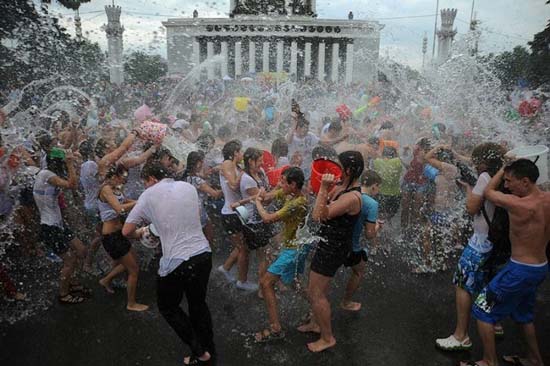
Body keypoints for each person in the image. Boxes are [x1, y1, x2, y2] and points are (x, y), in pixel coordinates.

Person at [122, 162, 214, 366]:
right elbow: (197, 217)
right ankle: (208, 350)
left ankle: (199, 351)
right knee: (198, 304)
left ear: (152, 179)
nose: (145, 187)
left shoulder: (149, 194)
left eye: (145, 182)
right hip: (202, 254)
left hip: (176, 262)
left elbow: (127, 231)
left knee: (168, 306)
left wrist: (143, 232)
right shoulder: (188, 187)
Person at [462, 159, 549, 366]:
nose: (507, 185)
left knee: (483, 309)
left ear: (526, 181)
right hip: (539, 267)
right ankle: (535, 359)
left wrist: (502, 169)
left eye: (510, 181)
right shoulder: (546, 199)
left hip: (520, 270)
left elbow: (488, 192)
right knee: (523, 315)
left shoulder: (518, 204)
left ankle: (489, 361)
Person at [436, 143, 505, 351]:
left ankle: (461, 336)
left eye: (475, 161)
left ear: (483, 162)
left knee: (462, 284)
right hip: (497, 241)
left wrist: (468, 190)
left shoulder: (485, 178)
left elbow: (472, 207)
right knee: (488, 282)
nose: (473, 165)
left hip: (480, 242)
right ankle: (495, 323)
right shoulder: (503, 178)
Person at [298, 151, 364, 352]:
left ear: (349, 170)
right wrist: (318, 189)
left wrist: (325, 188)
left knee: (315, 292)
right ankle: (316, 323)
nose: (335, 170)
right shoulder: (342, 186)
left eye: (339, 167)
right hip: (328, 244)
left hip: (333, 249)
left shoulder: (352, 197)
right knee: (318, 288)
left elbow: (319, 215)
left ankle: (327, 338)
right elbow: (321, 202)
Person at [253, 167, 308, 342]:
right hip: (294, 246)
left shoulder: (297, 203)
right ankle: (318, 306)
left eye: (284, 182)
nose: (280, 184)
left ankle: (275, 329)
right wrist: (262, 194)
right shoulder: (289, 193)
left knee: (266, 282)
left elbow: (267, 218)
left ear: (293, 185)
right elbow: (268, 196)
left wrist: (257, 203)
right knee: (292, 282)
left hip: (295, 249)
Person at [33, 148, 89, 304]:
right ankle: (64, 294)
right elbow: (72, 184)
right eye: (63, 163)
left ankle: (73, 282)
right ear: (58, 163)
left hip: (58, 224)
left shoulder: (50, 174)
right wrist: (70, 163)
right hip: (50, 227)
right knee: (69, 260)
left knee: (81, 250)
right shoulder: (46, 175)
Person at [97, 164, 148, 312]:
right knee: (134, 270)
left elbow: (125, 201)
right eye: (122, 177)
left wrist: (143, 199)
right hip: (110, 237)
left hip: (119, 234)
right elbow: (119, 209)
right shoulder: (106, 189)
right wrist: (139, 203)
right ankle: (131, 304)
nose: (124, 180)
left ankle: (105, 280)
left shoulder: (116, 188)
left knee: (132, 263)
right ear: (113, 177)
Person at [216, 140, 258, 290]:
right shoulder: (227, 163)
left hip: (240, 210)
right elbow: (234, 184)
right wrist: (244, 173)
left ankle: (225, 268)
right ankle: (242, 281)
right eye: (240, 152)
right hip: (231, 212)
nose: (242, 154)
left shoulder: (236, 166)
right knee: (243, 248)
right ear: (234, 152)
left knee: (244, 244)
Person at [230, 148, 272, 293]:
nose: (262, 163)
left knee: (250, 251)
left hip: (261, 219)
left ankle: (242, 280)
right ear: (250, 161)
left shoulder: (260, 173)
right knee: (264, 255)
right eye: (259, 160)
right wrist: (278, 190)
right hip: (253, 222)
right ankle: (263, 289)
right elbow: (264, 199)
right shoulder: (247, 179)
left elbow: (266, 193)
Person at [341, 169, 382, 311]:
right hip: (352, 246)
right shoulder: (372, 204)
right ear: (374, 185)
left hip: (337, 241)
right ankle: (346, 302)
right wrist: (377, 226)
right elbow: (369, 235)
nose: (378, 190)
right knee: (359, 271)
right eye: (379, 187)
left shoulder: (349, 193)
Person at [181, 151, 223, 245]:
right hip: (199, 211)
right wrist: (226, 187)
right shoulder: (197, 180)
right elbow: (215, 194)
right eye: (203, 162)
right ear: (198, 163)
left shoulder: (187, 177)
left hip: (189, 210)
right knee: (208, 237)